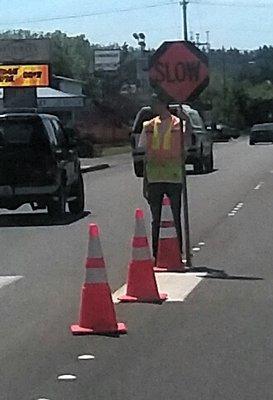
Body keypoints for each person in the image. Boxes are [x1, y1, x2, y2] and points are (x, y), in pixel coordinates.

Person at [138, 93, 185, 259]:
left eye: (155, 102)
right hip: (154, 179)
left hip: (173, 178)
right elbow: (146, 155)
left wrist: (189, 122)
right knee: (156, 219)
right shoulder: (148, 125)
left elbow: (186, 143)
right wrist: (145, 182)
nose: (152, 106)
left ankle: (177, 252)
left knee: (174, 217)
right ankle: (158, 254)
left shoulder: (177, 123)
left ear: (163, 103)